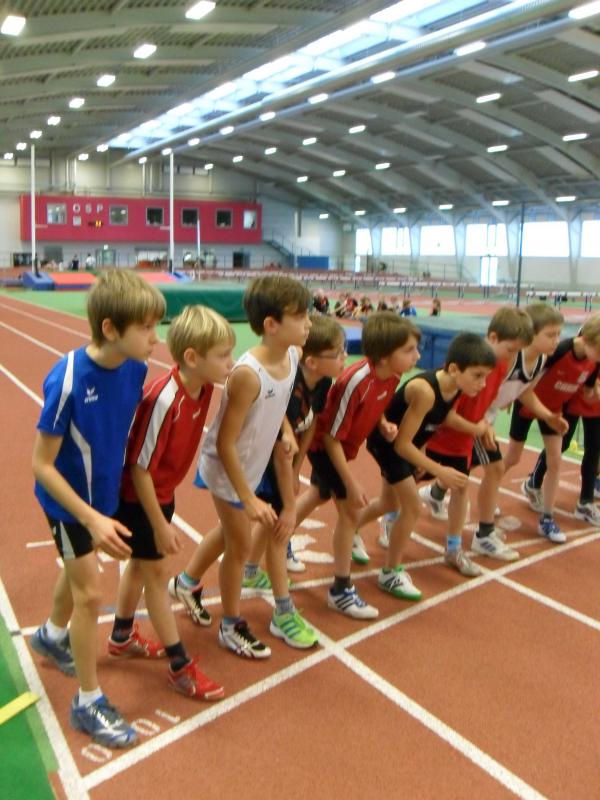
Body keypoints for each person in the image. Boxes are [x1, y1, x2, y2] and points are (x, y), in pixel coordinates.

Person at [30, 270, 165, 748]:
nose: (156, 337)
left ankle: (51, 635)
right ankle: (87, 703)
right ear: (110, 329)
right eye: (146, 328)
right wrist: (89, 517)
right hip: (67, 503)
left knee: (78, 571)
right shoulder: (67, 380)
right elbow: (41, 465)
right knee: (90, 593)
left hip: (102, 498)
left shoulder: (135, 368)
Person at [177, 275, 312, 659]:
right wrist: (248, 497)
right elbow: (224, 443)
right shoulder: (247, 375)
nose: (308, 324)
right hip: (228, 469)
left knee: (229, 533)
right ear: (271, 325)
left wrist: (286, 430)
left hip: (252, 463)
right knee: (239, 546)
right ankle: (231, 625)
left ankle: (186, 581)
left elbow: (278, 403)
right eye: (300, 317)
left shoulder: (293, 355)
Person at [108, 305, 235, 700]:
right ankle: (180, 665)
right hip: (139, 497)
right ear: (192, 358)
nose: (231, 363)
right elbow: (138, 467)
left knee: (139, 566)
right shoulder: (165, 400)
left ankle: (121, 634)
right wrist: (160, 524)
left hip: (162, 491)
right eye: (223, 356)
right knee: (156, 575)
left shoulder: (205, 388)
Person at [355, 332, 496, 592]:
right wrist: (440, 470)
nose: (483, 384)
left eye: (486, 376)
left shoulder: (456, 387)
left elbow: (431, 422)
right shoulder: (425, 391)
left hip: (406, 444)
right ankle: (390, 573)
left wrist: (423, 448)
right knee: (412, 507)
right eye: (477, 375)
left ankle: (348, 529)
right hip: (387, 443)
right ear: (454, 369)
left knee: (389, 503)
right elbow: (401, 444)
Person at [304, 311, 421, 619]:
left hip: (341, 447)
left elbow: (374, 404)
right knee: (349, 512)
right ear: (384, 356)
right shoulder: (355, 381)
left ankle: (278, 541)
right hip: (326, 447)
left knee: (318, 494)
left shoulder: (393, 375)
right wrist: (351, 482)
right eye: (409, 350)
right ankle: (340, 590)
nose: (417, 356)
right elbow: (330, 439)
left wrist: (382, 423)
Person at [240, 315, 346, 647]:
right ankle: (283, 613)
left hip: (283, 457)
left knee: (267, 522)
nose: (345, 357)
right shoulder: (290, 388)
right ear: (312, 362)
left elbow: (310, 424)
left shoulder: (322, 382)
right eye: (339, 353)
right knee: (278, 528)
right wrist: (290, 504)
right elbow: (280, 451)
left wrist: (300, 467)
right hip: (263, 458)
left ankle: (248, 572)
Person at [421, 309, 536, 572]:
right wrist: (477, 427)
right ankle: (393, 517)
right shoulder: (468, 366)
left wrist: (485, 425)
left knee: (469, 483)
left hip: (467, 436)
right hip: (441, 435)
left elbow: (488, 400)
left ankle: (460, 544)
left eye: (517, 351)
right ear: (493, 337)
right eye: (510, 349)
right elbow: (446, 412)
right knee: (403, 487)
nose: (513, 356)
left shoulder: (501, 365)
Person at [504, 314, 600, 542]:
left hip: (554, 410)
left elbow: (589, 392)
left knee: (555, 461)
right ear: (587, 339)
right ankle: (489, 489)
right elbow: (529, 380)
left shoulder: (594, 362)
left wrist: (595, 394)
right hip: (529, 406)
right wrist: (510, 395)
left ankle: (547, 518)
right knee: (513, 457)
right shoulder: (558, 352)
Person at [528, 379, 600, 523]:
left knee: (594, 447)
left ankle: (585, 502)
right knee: (560, 444)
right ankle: (534, 481)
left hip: (595, 404)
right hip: (576, 396)